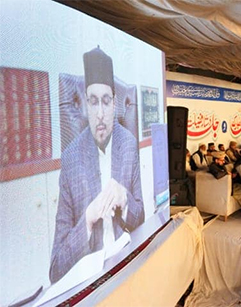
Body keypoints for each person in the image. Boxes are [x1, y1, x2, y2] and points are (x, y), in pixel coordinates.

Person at [51, 46, 145, 284]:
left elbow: (141, 216)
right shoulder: (71, 159)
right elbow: (56, 268)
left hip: (127, 264)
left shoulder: (128, 145)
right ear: (85, 105)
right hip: (92, 281)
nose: (100, 113)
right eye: (93, 102)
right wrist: (88, 220)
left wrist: (124, 201)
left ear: (115, 104)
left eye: (106, 101)